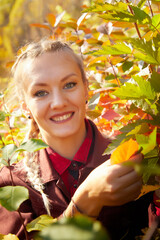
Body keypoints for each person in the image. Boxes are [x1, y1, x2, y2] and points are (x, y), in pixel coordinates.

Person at [0, 38, 159, 240]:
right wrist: (85, 201)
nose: (58, 103)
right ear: (25, 106)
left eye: (69, 85)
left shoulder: (132, 156)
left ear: (86, 88)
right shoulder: (12, 184)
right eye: (41, 93)